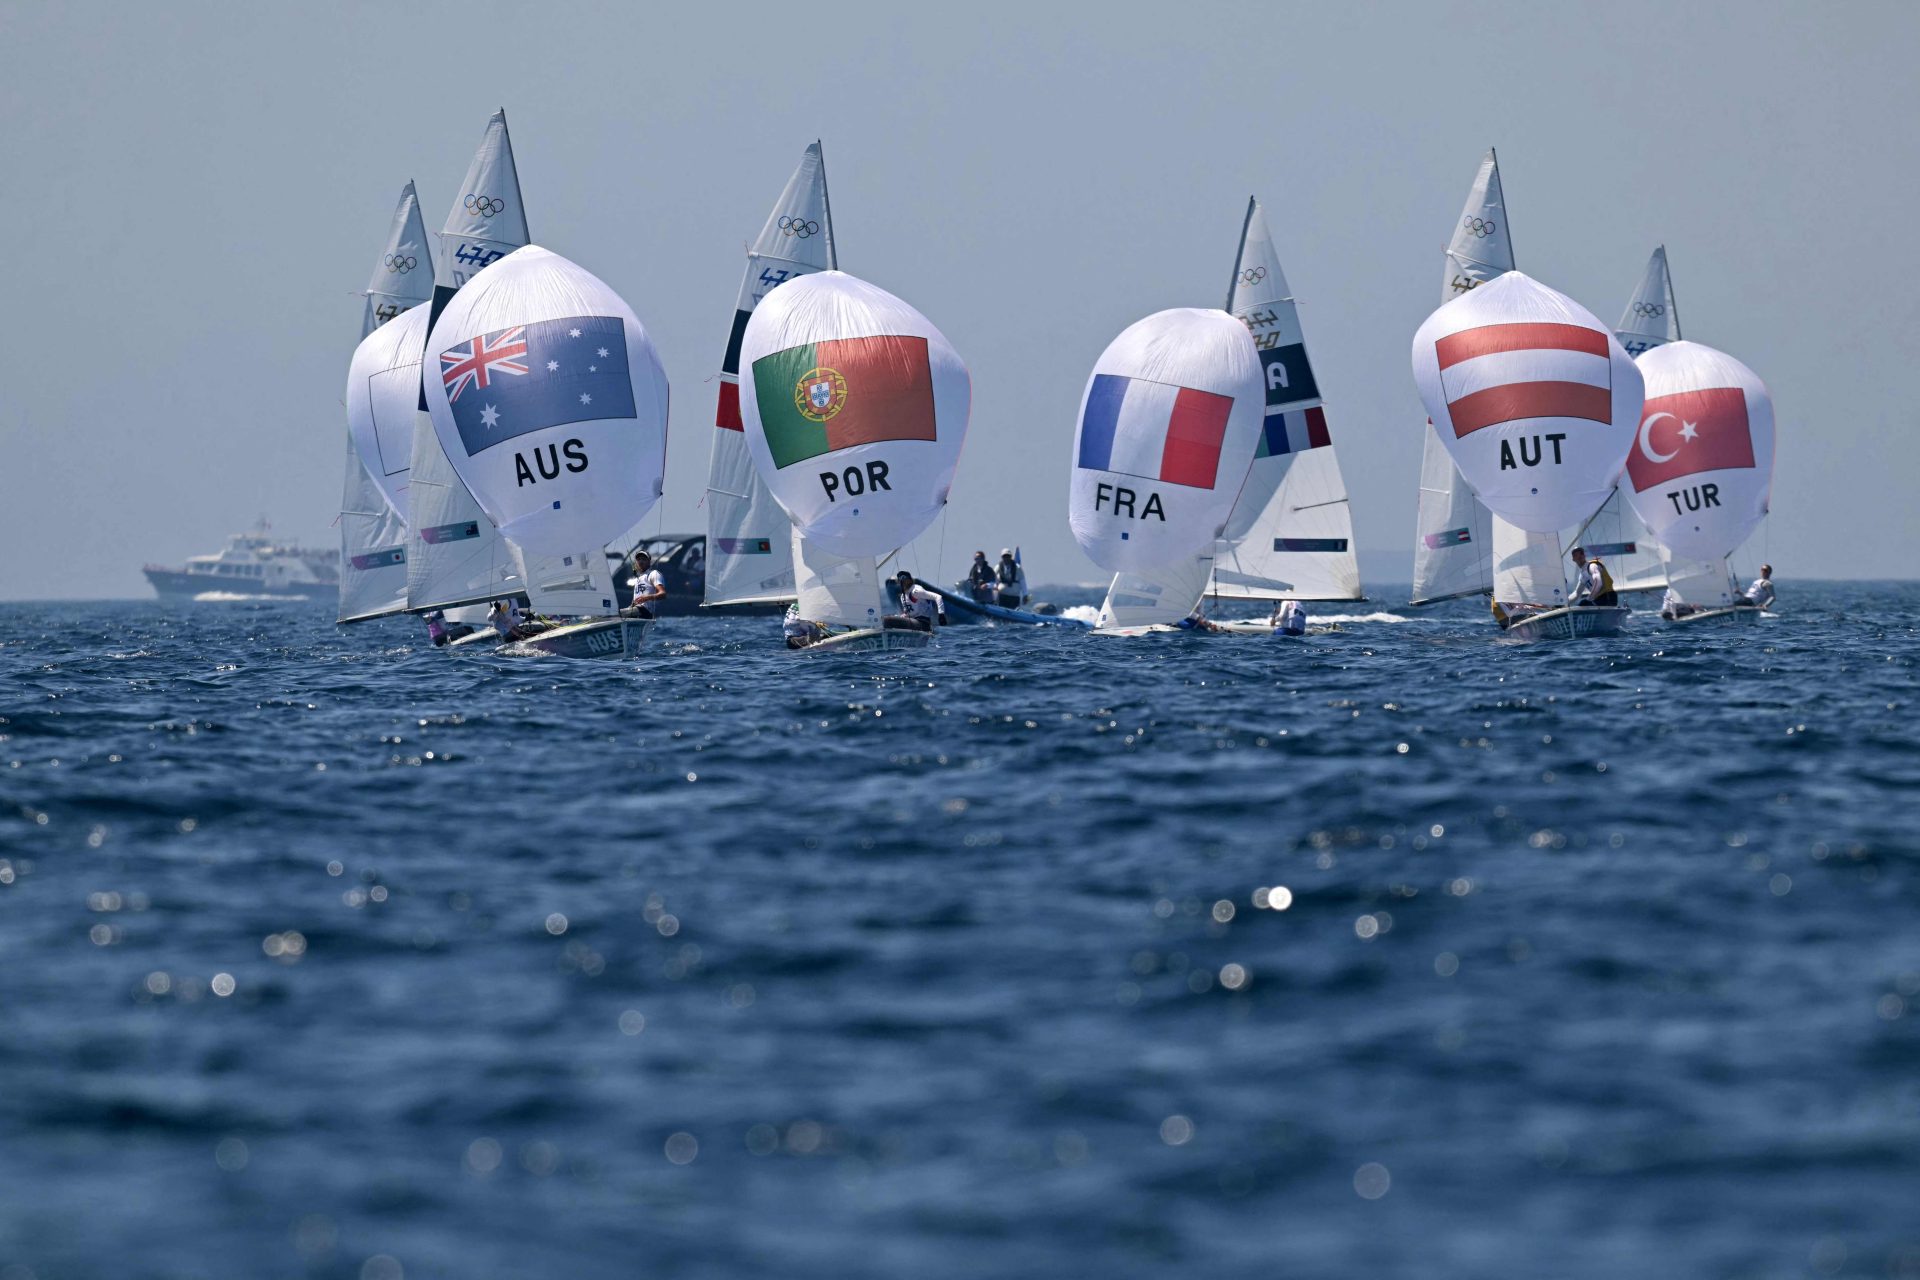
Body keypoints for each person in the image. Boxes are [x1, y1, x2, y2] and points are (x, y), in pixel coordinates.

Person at [624, 550, 666, 619]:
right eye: (638, 559)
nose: (641, 561)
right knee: (615, 615)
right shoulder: (638, 579)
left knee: (615, 615)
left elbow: (663, 594)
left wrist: (647, 597)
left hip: (645, 611)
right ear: (636, 563)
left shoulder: (653, 574)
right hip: (636, 612)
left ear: (649, 562)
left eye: (644, 559)